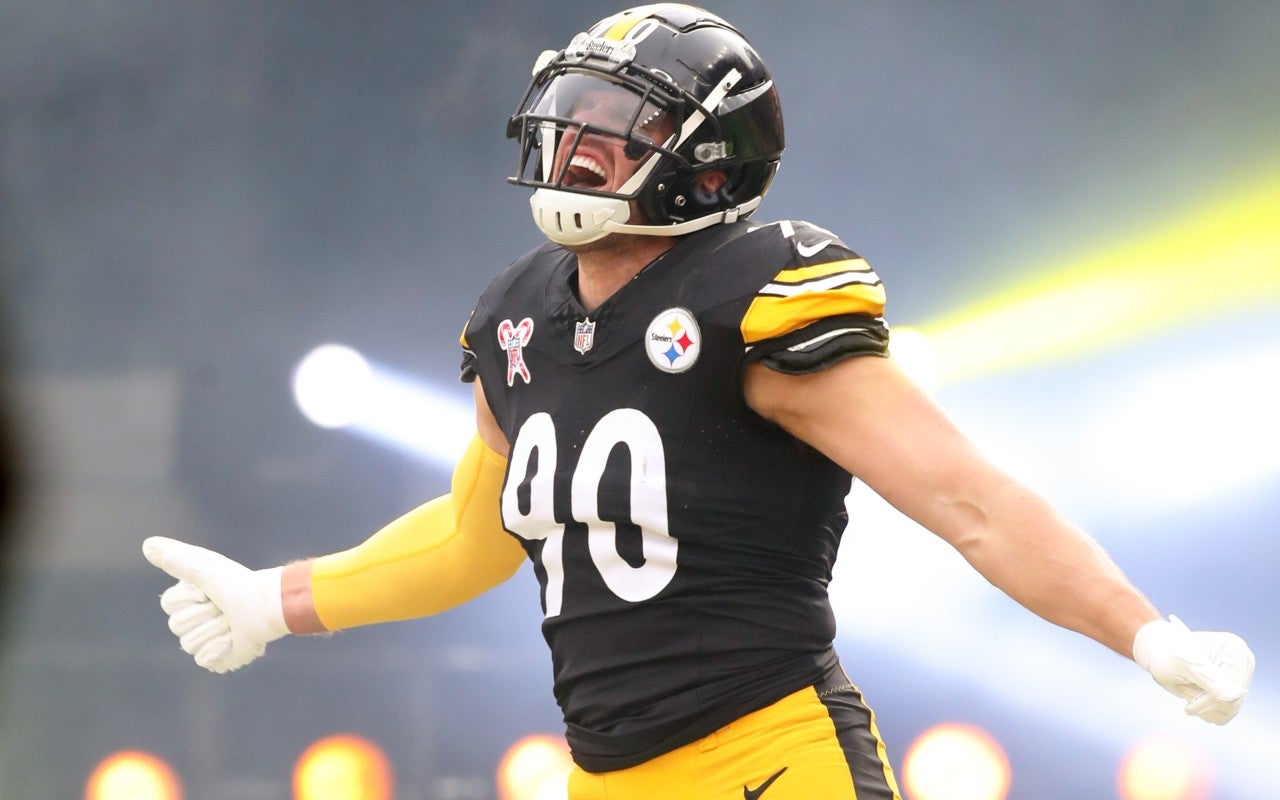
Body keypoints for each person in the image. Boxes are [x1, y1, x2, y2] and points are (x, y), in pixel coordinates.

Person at [144, 5, 1256, 799]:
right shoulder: (515, 314)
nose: (571, 146)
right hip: (601, 777)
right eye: (566, 117)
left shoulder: (755, 295)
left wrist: (1142, 632)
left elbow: (967, 499)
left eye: (609, 127)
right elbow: (472, 535)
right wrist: (277, 597)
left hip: (767, 759)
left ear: (702, 159)